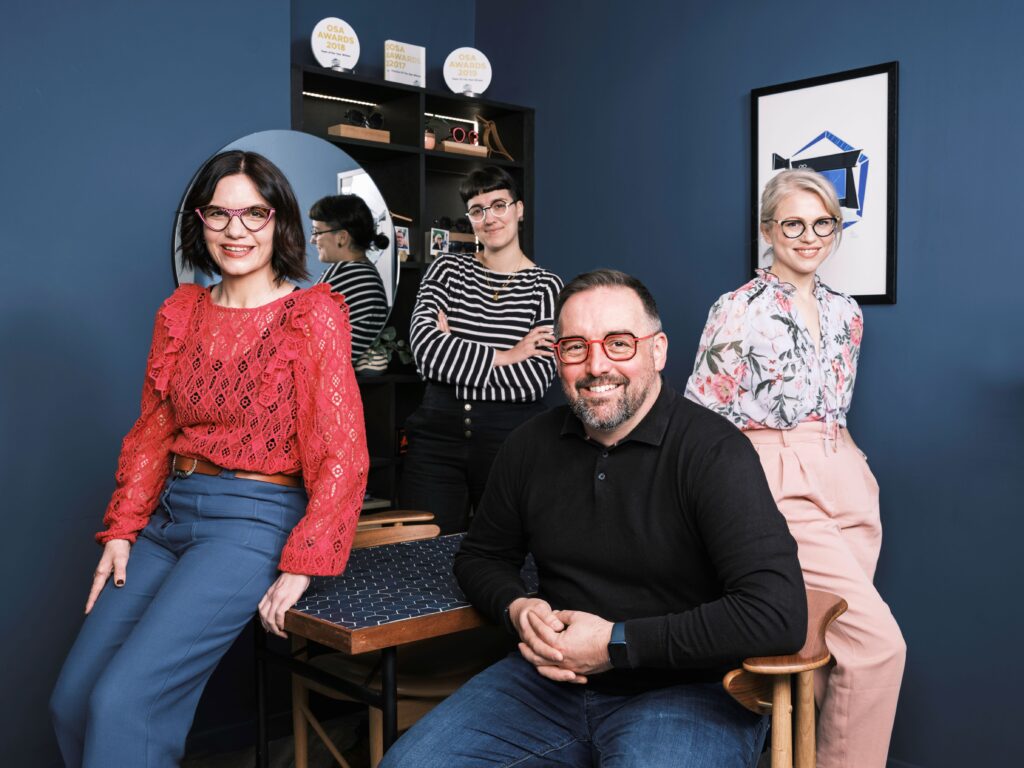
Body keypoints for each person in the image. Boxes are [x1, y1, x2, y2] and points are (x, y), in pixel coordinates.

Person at [381, 269, 807, 767]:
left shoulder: (713, 452)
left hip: (688, 691)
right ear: (557, 357)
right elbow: (481, 557)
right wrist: (517, 608)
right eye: (575, 347)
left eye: (619, 343)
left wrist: (615, 643)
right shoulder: (528, 446)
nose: (596, 365)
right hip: (545, 684)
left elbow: (777, 613)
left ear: (659, 350)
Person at [49, 151, 369, 768]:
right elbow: (153, 429)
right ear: (200, 222)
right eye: (219, 213)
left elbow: (341, 450)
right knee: (73, 698)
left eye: (253, 212)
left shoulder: (313, 315)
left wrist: (304, 562)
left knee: (125, 704)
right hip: (169, 517)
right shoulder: (181, 312)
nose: (235, 229)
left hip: (254, 520)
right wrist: (122, 530)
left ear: (279, 222)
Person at [685, 169, 906, 768]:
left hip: (847, 476)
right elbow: (701, 416)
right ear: (767, 229)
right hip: (775, 475)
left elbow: (835, 402)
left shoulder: (847, 312)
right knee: (878, 645)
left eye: (822, 223)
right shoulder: (737, 309)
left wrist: (852, 464)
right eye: (792, 224)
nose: (809, 237)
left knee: (827, 647)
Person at [399, 166, 563, 534]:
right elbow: (425, 350)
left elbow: (534, 380)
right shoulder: (446, 270)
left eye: (499, 205)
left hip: (510, 439)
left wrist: (454, 350)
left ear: (519, 209)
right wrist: (507, 354)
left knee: (503, 551)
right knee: (422, 551)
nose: (489, 218)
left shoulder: (546, 287)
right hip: (435, 438)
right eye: (477, 209)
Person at [310, 194, 390, 362]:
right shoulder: (363, 272)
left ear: (342, 237)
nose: (312, 240)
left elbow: (295, 330)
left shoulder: (352, 274)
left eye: (317, 232)